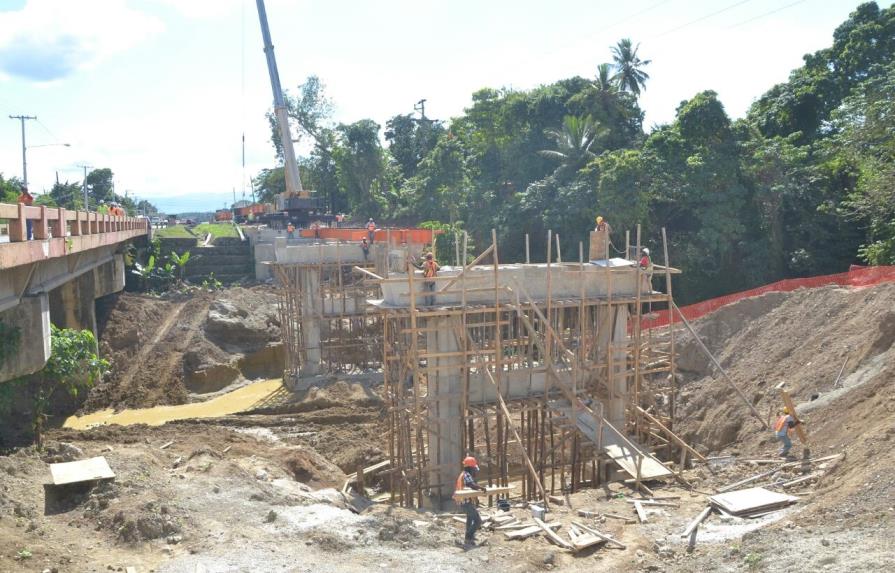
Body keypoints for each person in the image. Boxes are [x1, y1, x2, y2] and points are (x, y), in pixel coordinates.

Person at [453, 456, 487, 548]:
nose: (475, 471)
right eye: (474, 469)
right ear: (470, 467)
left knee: (470, 519)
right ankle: (468, 538)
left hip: (463, 501)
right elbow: (471, 484)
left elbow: (467, 487)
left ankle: (469, 537)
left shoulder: (462, 474)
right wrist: (481, 488)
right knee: (478, 521)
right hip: (465, 502)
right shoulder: (467, 475)